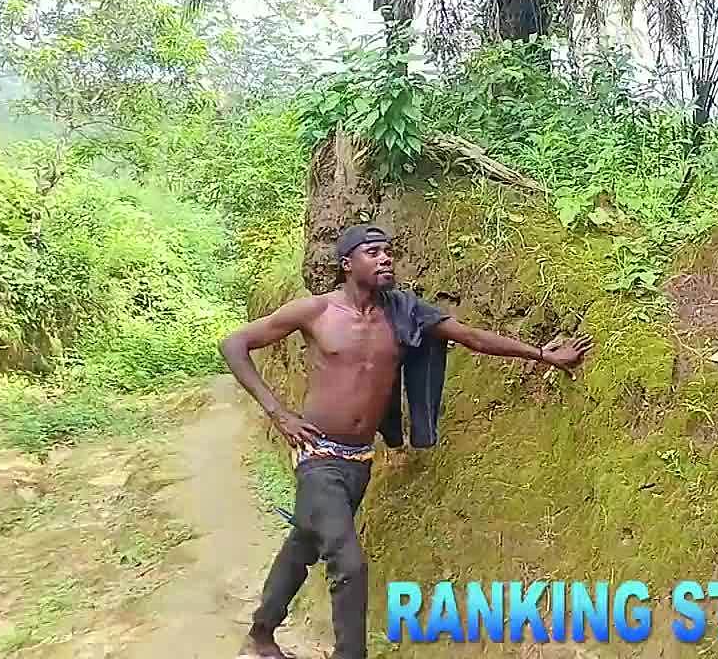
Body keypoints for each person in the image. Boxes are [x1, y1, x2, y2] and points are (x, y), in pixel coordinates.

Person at [219, 224, 594, 659]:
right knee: (348, 563)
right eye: (373, 252)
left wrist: (544, 355)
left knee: (303, 544)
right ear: (347, 264)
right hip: (318, 455)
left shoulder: (405, 313)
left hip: (358, 460)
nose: (385, 258)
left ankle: (260, 636)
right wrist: (278, 413)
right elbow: (234, 344)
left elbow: (471, 337)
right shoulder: (316, 311)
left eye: (388, 251)